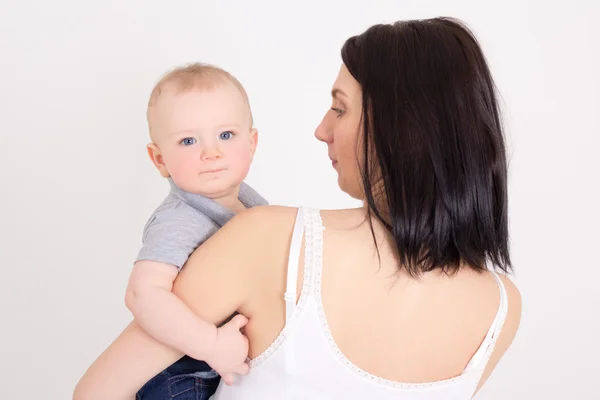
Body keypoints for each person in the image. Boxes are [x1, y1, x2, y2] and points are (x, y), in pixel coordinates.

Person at [74, 17, 521, 400]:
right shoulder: (502, 308)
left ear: (397, 129)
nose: (321, 129)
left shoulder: (267, 238)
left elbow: (96, 393)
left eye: (339, 109)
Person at [126, 63, 267, 399]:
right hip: (184, 376)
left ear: (252, 143)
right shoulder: (181, 218)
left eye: (226, 135)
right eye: (188, 140)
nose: (211, 152)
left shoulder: (252, 203)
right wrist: (210, 343)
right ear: (159, 159)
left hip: (231, 366)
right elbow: (142, 294)